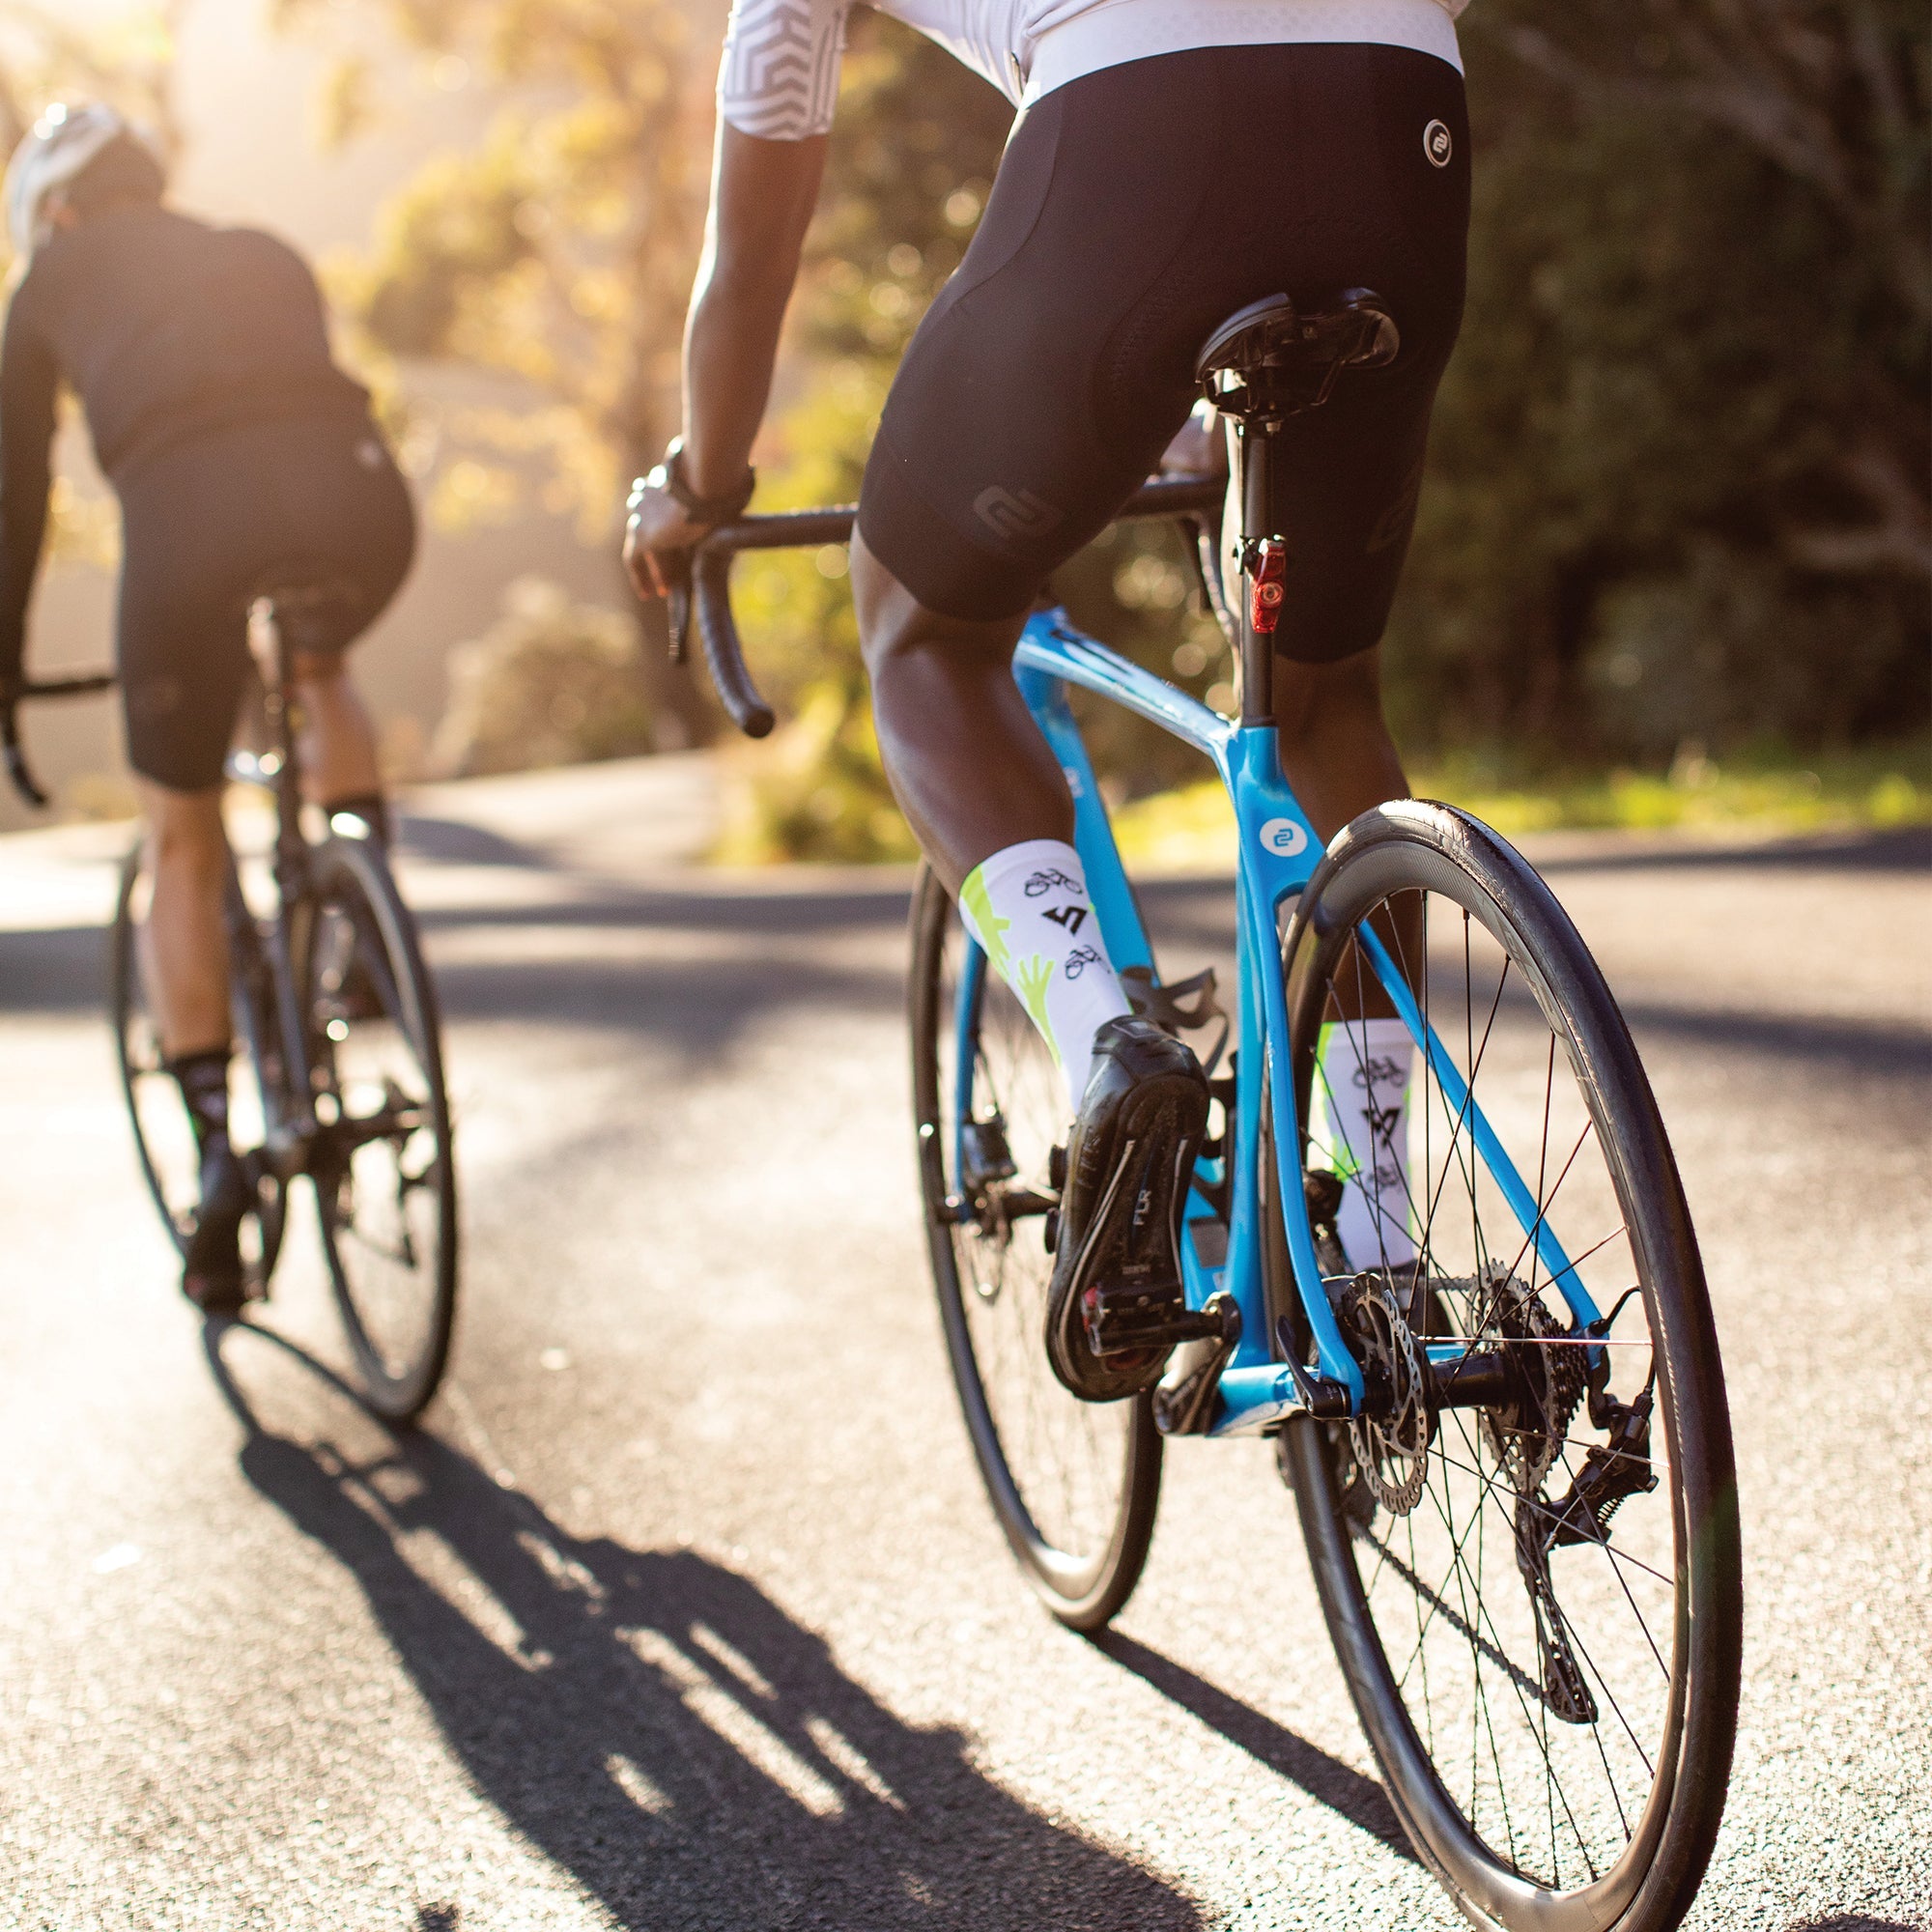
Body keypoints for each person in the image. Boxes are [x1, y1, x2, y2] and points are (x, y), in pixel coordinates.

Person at [625, 1, 1470, 1398]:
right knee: (1322, 702)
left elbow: (756, 241)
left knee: (924, 632)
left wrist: (700, 486)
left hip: (1135, 137)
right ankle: (1379, 1239)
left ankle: (1107, 1047)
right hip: (1403, 122)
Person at [0, 104, 417, 1311]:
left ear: (60, 212)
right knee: (316, 661)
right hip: (360, 503)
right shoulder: (259, 245)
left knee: (181, 837)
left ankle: (221, 1163)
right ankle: (365, 916)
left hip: (188, 530)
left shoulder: (48, 279)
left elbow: (15, 495)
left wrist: (8, 664)